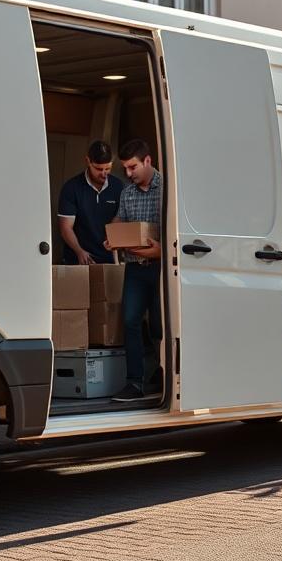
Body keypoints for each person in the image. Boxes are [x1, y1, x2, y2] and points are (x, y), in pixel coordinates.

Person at [105, 139, 163, 402]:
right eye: (125, 168)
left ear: (148, 161)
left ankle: (164, 376)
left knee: (160, 326)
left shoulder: (167, 190)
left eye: (132, 167)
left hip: (163, 267)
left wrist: (160, 250)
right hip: (135, 269)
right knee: (130, 321)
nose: (128, 174)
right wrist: (113, 235)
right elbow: (120, 220)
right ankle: (135, 382)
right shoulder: (127, 193)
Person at [57, 140, 123, 265]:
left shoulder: (118, 187)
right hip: (77, 259)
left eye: (108, 168)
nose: (104, 174)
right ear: (88, 161)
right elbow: (65, 228)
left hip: (108, 259)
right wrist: (79, 251)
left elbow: (119, 220)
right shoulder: (71, 188)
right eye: (98, 169)